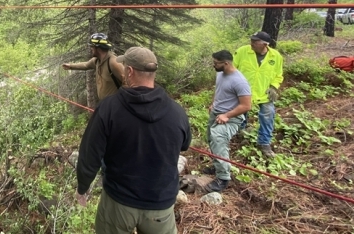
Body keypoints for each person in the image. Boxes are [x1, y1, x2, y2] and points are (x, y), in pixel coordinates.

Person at [76, 46, 190, 234]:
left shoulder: (108, 108)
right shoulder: (176, 112)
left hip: (118, 201)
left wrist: (82, 187)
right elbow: (184, 145)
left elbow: (90, 154)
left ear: (129, 71)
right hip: (160, 205)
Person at [204, 50, 252, 193]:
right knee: (211, 138)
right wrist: (214, 103)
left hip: (232, 117)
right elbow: (219, 90)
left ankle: (223, 178)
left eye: (215, 63)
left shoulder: (239, 81)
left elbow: (246, 105)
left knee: (218, 137)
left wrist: (227, 115)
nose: (213, 66)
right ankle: (218, 165)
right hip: (216, 113)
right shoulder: (220, 73)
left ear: (226, 63)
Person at [233, 31, 284, 158]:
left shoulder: (276, 56)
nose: (252, 43)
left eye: (255, 41)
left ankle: (264, 143)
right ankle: (240, 132)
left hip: (264, 93)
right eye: (251, 40)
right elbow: (231, 69)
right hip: (243, 91)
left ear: (265, 44)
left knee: (268, 116)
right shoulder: (242, 51)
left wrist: (274, 87)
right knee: (241, 113)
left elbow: (278, 75)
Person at [62, 33, 124, 100]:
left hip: (116, 106)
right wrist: (70, 66)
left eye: (92, 46)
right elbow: (85, 65)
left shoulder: (113, 62)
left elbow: (127, 81)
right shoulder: (96, 61)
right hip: (105, 106)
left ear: (98, 48)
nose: (91, 49)